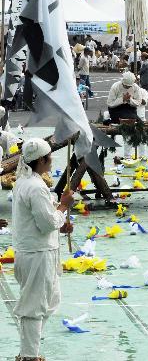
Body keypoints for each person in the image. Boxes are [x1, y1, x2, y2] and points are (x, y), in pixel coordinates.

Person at [12, 138, 75, 361]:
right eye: (49, 156)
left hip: (39, 251)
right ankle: (29, 355)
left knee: (50, 302)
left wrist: (61, 223)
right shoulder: (35, 187)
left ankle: (30, 347)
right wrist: (64, 206)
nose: (51, 159)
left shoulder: (26, 181)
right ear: (41, 160)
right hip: (37, 255)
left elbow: (44, 221)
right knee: (34, 307)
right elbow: (47, 223)